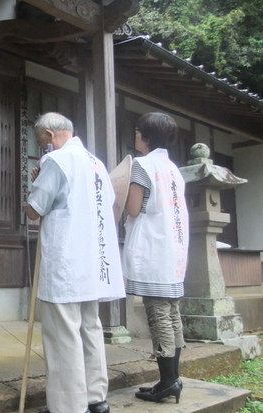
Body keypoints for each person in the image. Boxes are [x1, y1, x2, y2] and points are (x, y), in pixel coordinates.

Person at [26, 112, 125, 413]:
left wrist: (37, 184)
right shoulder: (96, 164)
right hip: (92, 262)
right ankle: (97, 399)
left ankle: (69, 407)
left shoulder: (57, 161)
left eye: (43, 141)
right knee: (90, 328)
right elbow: (106, 204)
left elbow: (33, 210)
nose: (44, 147)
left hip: (66, 263)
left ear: (51, 134)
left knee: (63, 336)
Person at [122, 112, 189, 404]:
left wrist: (118, 193)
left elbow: (134, 208)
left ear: (146, 137)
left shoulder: (142, 165)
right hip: (173, 249)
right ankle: (171, 379)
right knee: (171, 312)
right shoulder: (172, 168)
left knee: (158, 313)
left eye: (138, 132)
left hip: (153, 249)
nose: (135, 136)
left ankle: (168, 381)